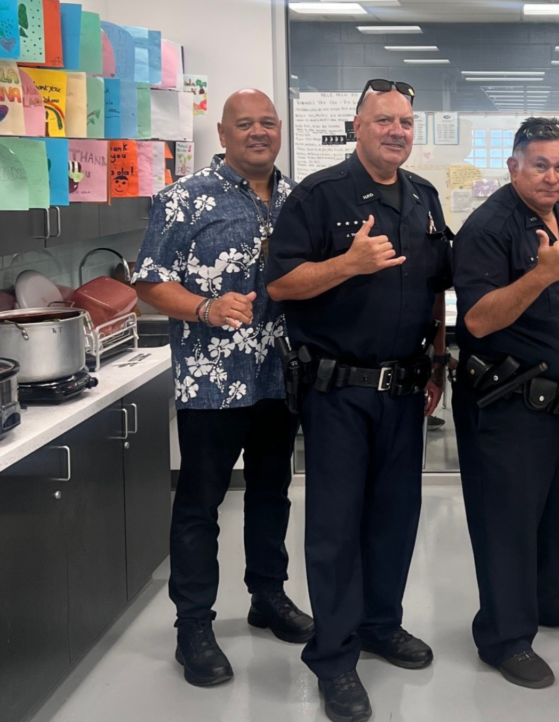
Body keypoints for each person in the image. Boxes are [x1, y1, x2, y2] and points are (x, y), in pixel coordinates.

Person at [266, 79, 449, 722]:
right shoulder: (319, 196)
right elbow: (282, 283)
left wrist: (436, 362)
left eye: (405, 120)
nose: (397, 130)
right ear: (358, 125)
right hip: (337, 393)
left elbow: (434, 290)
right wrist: (347, 264)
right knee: (336, 530)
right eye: (383, 120)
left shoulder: (424, 198)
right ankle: (335, 657)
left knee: (395, 520)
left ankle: (380, 624)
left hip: (404, 390)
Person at [133, 89, 313, 688]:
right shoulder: (182, 199)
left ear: (279, 128)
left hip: (277, 377)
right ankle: (194, 626)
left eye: (267, 122)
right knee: (200, 505)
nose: (258, 132)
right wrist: (206, 308)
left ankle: (268, 596)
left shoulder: (297, 199)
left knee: (271, 495)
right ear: (223, 132)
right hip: (212, 382)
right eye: (245, 124)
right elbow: (149, 283)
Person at [452, 117, 559, 689]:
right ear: (513, 166)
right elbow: (478, 319)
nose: (552, 176)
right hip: (510, 401)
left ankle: (556, 602)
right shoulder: (488, 227)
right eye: (539, 165)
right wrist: (540, 276)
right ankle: (504, 637)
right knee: (507, 526)